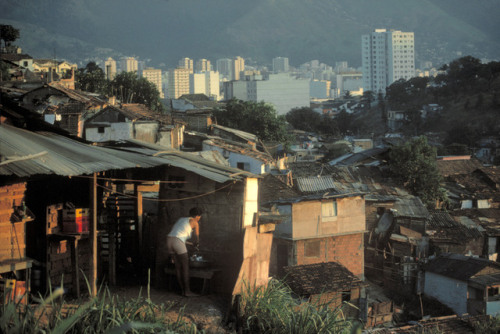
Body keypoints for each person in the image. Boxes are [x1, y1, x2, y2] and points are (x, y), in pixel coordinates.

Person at [166, 207, 202, 297]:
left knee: (178, 267)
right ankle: (187, 291)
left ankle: (183, 291)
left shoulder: (181, 219)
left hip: (169, 240)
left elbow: (177, 234)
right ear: (198, 216)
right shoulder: (195, 222)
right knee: (185, 268)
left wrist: (190, 243)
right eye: (200, 216)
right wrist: (196, 244)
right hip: (178, 241)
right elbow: (197, 238)